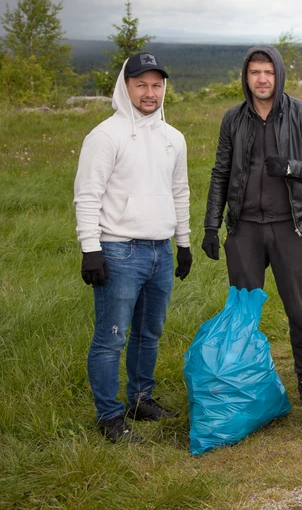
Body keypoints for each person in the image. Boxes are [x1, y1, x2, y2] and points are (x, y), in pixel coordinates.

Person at [202, 46, 302, 408]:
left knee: (299, 310)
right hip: (244, 228)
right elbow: (220, 172)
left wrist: (291, 167)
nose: (262, 79)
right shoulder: (233, 119)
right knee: (243, 311)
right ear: (246, 78)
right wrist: (211, 226)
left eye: (268, 72)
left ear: (279, 74)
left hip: (290, 225)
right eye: (254, 73)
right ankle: (242, 380)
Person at [74, 52, 192, 443]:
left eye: (156, 84)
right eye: (141, 84)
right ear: (125, 87)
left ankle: (141, 399)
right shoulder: (105, 135)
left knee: (149, 333)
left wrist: (184, 242)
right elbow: (87, 195)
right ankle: (109, 417)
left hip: (160, 251)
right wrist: (91, 249)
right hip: (118, 252)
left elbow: (180, 191)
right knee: (111, 337)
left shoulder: (173, 138)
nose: (149, 92)